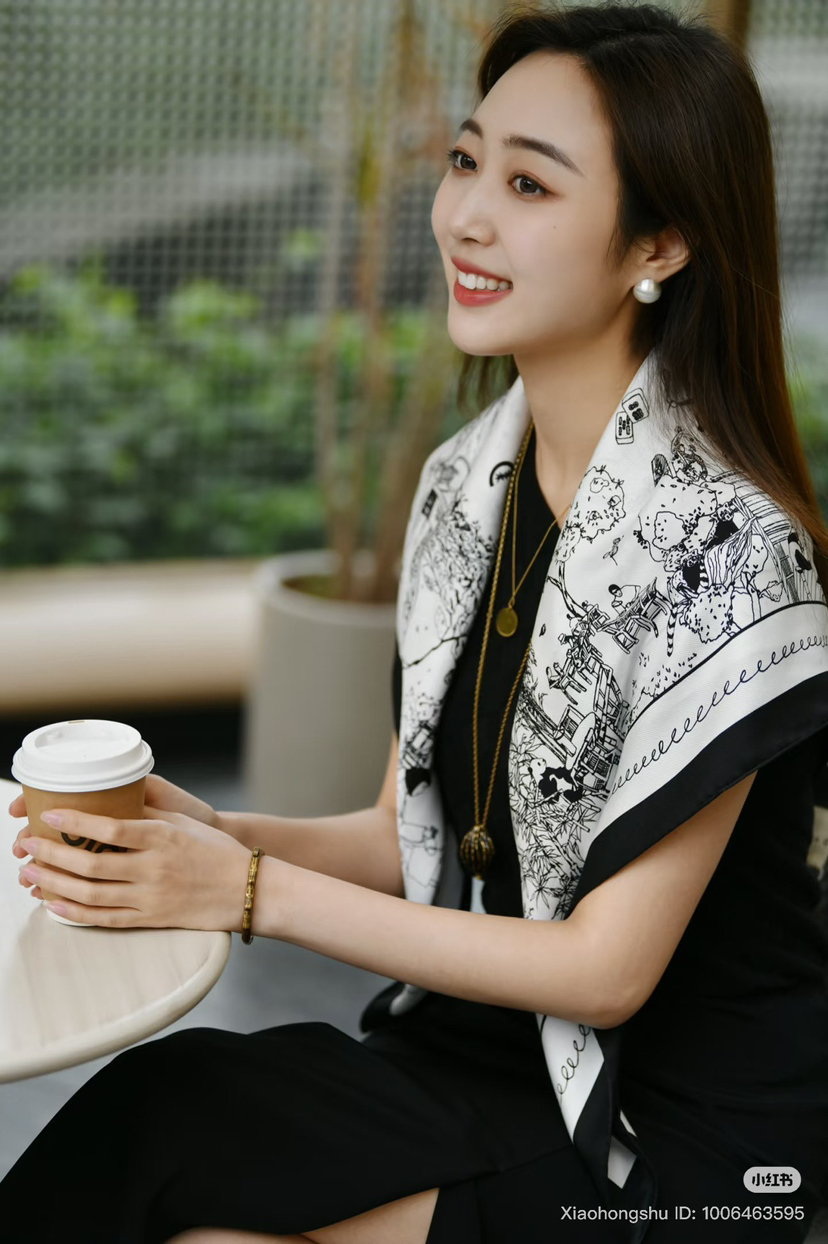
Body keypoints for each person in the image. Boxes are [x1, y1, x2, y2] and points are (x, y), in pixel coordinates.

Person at [3, 4, 828, 1243]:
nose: (465, 217)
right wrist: (209, 834)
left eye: (529, 184)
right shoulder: (464, 484)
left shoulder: (731, 555)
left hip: (684, 1138)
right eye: (465, 160)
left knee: (186, 1187)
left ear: (660, 243)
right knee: (158, 1112)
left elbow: (607, 970)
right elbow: (412, 836)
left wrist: (246, 889)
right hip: (488, 1052)